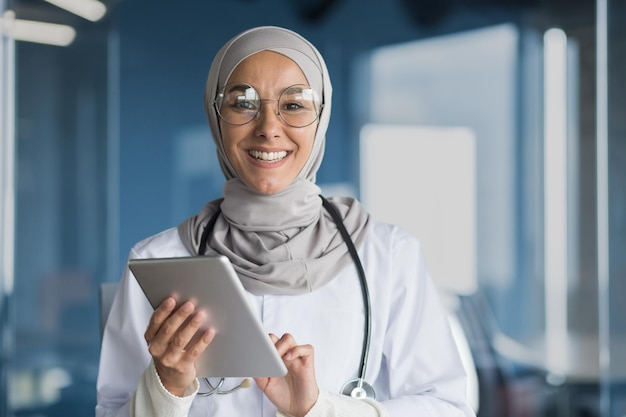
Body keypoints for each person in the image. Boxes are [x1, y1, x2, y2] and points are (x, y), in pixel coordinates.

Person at [96, 25, 476, 417]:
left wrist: (320, 409)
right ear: (216, 116)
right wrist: (167, 388)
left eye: (294, 104)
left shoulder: (390, 256)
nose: (268, 128)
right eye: (242, 102)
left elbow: (448, 408)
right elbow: (111, 410)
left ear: (321, 117)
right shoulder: (159, 259)